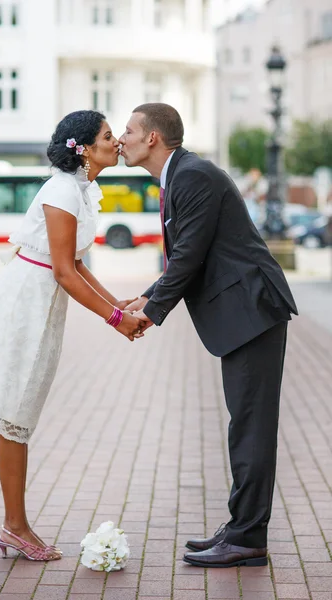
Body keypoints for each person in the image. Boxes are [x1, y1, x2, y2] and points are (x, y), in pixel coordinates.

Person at [0, 110, 145, 562]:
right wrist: (114, 320)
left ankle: (15, 524)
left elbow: (78, 265)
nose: (117, 141)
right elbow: (62, 270)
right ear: (83, 148)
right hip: (25, 302)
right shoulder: (62, 189)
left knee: (20, 409)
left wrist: (116, 303)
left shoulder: (82, 189)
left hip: (41, 300)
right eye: (108, 135)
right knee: (13, 412)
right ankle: (14, 527)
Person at [120, 103, 298, 568]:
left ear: (153, 138)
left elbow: (188, 257)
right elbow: (187, 255)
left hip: (252, 310)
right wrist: (146, 297)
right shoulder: (181, 175)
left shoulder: (193, 175)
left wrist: (151, 313)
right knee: (245, 426)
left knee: (250, 429)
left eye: (129, 130)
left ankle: (247, 537)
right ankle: (242, 526)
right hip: (243, 312)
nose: (122, 138)